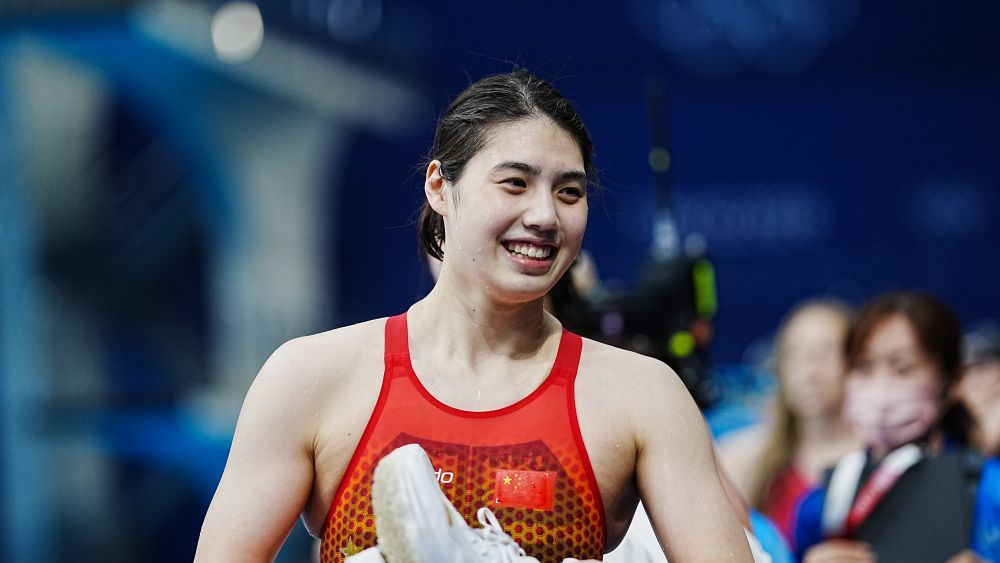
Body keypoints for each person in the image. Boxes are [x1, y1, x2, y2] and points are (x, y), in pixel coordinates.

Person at [194, 70, 752, 563]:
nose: (544, 216)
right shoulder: (309, 376)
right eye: (515, 183)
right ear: (440, 187)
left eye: (569, 192)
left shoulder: (643, 394)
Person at [793, 291, 1000, 563]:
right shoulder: (820, 506)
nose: (880, 386)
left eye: (903, 368)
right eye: (864, 367)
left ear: (953, 380)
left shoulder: (991, 491)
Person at [718, 300, 859, 544]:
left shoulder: (877, 464)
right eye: (795, 355)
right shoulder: (742, 460)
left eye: (825, 353)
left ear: (856, 363)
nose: (809, 372)